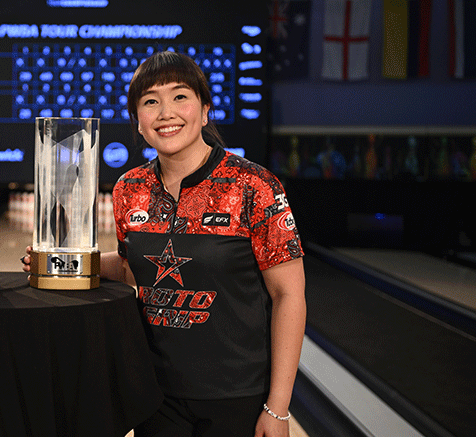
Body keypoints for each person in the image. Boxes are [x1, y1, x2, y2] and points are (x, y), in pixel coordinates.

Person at [23, 50, 306, 437]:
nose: (165, 112)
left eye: (180, 97)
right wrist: (61, 260)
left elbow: (289, 295)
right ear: (139, 122)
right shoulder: (129, 188)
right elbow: (130, 266)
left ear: (204, 111)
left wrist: (278, 408)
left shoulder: (252, 186)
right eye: (150, 101)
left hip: (237, 395)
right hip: (156, 394)